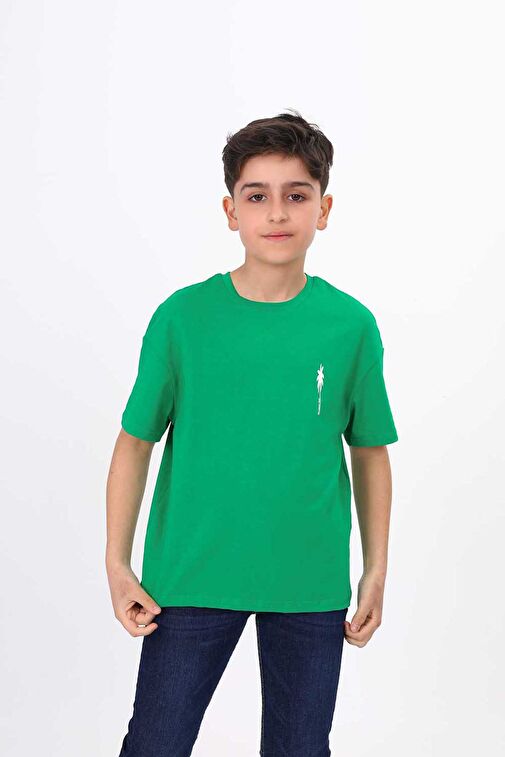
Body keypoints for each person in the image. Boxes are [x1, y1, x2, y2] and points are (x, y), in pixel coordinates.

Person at [106, 109, 399, 757]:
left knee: (300, 748)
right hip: (189, 577)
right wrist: (118, 564)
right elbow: (134, 442)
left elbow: (369, 451)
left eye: (296, 195)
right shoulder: (183, 318)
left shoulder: (349, 325)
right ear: (230, 210)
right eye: (257, 196)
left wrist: (375, 568)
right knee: (155, 743)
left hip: (309, 582)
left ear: (323, 209)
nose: (277, 212)